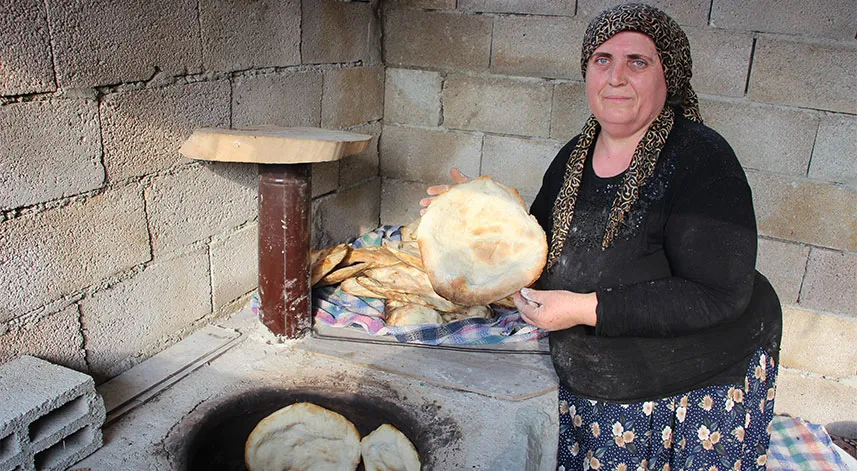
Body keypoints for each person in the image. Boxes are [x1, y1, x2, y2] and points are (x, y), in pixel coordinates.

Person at [422, 3, 782, 470]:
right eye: (602, 60)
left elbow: (717, 294)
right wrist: (475, 215)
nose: (616, 77)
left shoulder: (702, 161)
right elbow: (537, 250)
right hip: (595, 386)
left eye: (637, 62)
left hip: (688, 392)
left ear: (667, 77)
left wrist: (581, 308)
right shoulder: (574, 158)